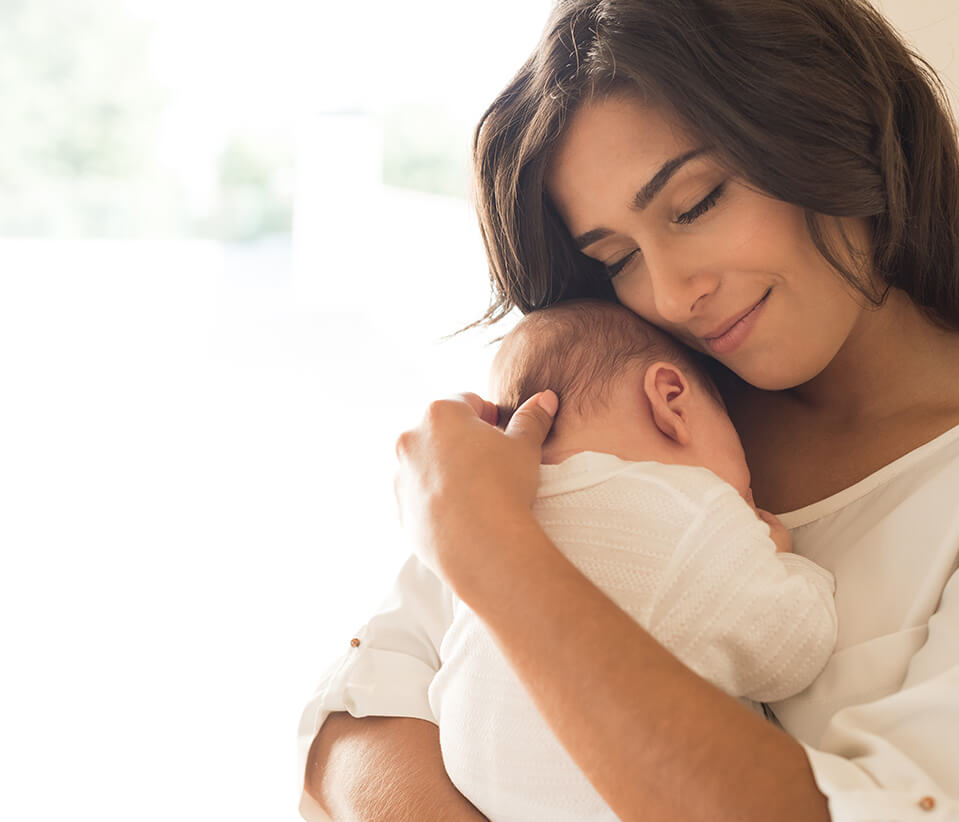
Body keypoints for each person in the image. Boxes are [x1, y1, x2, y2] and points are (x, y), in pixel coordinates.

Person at [300, 2, 959, 820]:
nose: (673, 295)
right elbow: (354, 728)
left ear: (832, 125)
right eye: (616, 257)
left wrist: (494, 553)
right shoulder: (624, 411)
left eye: (695, 204)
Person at [428, 299, 838, 822]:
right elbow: (791, 650)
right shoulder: (689, 510)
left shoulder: (490, 517)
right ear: (672, 401)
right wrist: (786, 562)